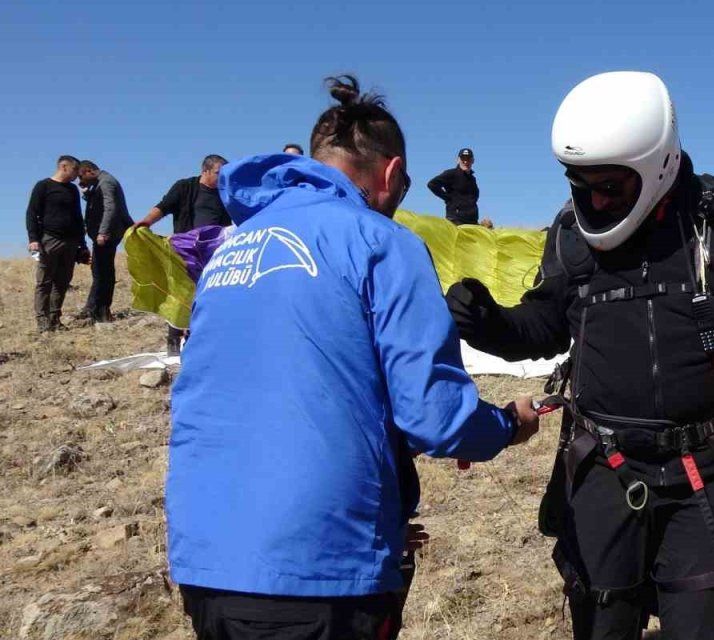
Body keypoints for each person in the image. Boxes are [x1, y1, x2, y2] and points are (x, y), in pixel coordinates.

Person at [166, 75, 540, 640]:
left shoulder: (231, 249)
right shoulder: (380, 242)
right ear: (391, 174)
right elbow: (434, 415)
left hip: (207, 557)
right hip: (323, 569)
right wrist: (507, 425)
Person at [446, 71, 714, 640]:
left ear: (658, 163)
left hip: (703, 471)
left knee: (700, 624)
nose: (594, 201)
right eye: (579, 185)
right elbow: (547, 322)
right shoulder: (569, 232)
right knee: (602, 621)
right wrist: (489, 323)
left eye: (611, 186)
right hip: (604, 469)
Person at [133, 154, 231, 355]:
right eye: (218, 173)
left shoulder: (225, 194)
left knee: (206, 296)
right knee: (182, 295)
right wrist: (146, 222)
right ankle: (174, 341)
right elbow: (163, 206)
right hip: (184, 251)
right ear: (205, 170)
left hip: (213, 253)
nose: (222, 178)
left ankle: (197, 341)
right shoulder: (184, 187)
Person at [26, 155, 87, 333]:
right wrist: (33, 239)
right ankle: (42, 321)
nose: (77, 174)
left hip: (70, 241)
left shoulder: (72, 190)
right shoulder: (43, 186)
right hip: (49, 239)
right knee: (44, 281)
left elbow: (77, 216)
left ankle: (55, 318)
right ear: (64, 166)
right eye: (75, 170)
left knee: (62, 281)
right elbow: (32, 213)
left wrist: (82, 244)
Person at [76, 160, 133, 322]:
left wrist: (103, 232)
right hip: (105, 234)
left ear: (88, 171)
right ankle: (93, 307)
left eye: (81, 176)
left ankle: (100, 310)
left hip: (107, 235)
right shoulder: (100, 182)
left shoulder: (106, 182)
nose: (81, 180)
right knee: (99, 270)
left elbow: (110, 207)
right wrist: (87, 193)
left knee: (103, 272)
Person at [427, 148, 490, 226]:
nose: (466, 161)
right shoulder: (451, 174)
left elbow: (473, 198)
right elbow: (432, 184)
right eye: (463, 159)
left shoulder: (472, 179)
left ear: (472, 161)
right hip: (456, 220)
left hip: (472, 221)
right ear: (458, 160)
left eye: (468, 159)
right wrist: (448, 198)